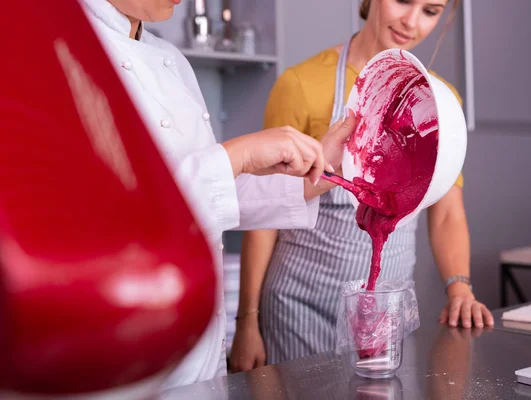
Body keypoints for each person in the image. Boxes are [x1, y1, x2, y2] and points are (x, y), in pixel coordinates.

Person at [81, 0, 356, 389]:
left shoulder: (171, 60)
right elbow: (107, 216)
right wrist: (237, 155)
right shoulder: (53, 51)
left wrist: (323, 170)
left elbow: (214, 198)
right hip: (122, 357)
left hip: (200, 353)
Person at [230, 0, 494, 372]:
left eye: (430, 11)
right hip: (300, 306)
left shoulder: (440, 103)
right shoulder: (301, 84)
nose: (411, 22)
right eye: (402, 0)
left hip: (384, 309)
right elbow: (265, 212)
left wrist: (459, 288)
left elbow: (447, 211)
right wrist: (247, 323)